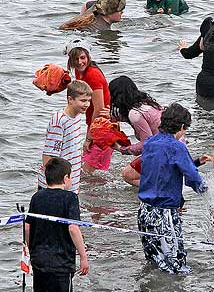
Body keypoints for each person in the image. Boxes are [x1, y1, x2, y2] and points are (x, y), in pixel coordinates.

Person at [137, 103, 209, 274]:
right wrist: (209, 191)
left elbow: (166, 165)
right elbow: (192, 177)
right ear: (182, 127)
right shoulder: (177, 147)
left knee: (154, 260)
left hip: (144, 211)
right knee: (176, 264)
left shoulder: (150, 143)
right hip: (165, 213)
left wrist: (196, 161)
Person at [26, 157, 90, 292]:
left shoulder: (37, 197)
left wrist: (31, 249)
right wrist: (83, 256)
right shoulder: (70, 198)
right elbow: (73, 228)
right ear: (66, 178)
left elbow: (27, 227)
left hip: (39, 261)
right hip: (61, 263)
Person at [64, 39, 113, 172]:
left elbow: (99, 109)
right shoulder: (80, 72)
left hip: (102, 127)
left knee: (87, 173)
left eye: (82, 58)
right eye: (75, 59)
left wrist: (89, 138)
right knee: (91, 171)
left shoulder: (92, 75)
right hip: (98, 126)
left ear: (88, 56)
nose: (79, 62)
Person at [38, 80, 92, 194]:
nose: (87, 104)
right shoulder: (59, 121)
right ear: (70, 100)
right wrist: (56, 187)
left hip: (71, 181)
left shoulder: (77, 116)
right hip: (56, 185)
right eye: (83, 101)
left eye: (88, 101)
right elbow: (48, 157)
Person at [108, 76, 163, 186]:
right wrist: (112, 117)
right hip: (176, 145)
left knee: (128, 175)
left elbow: (147, 143)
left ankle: (159, 188)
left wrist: (122, 149)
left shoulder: (134, 114)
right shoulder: (146, 104)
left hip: (162, 151)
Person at [178, 17, 214, 101]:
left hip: (205, 83)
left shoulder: (210, 30)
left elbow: (189, 54)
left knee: (202, 111)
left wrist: (182, 48)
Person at [59, 0, 126, 31]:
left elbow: (86, 4)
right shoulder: (102, 29)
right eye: (120, 10)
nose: (122, 12)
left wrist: (82, 17)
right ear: (109, 12)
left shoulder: (97, 8)